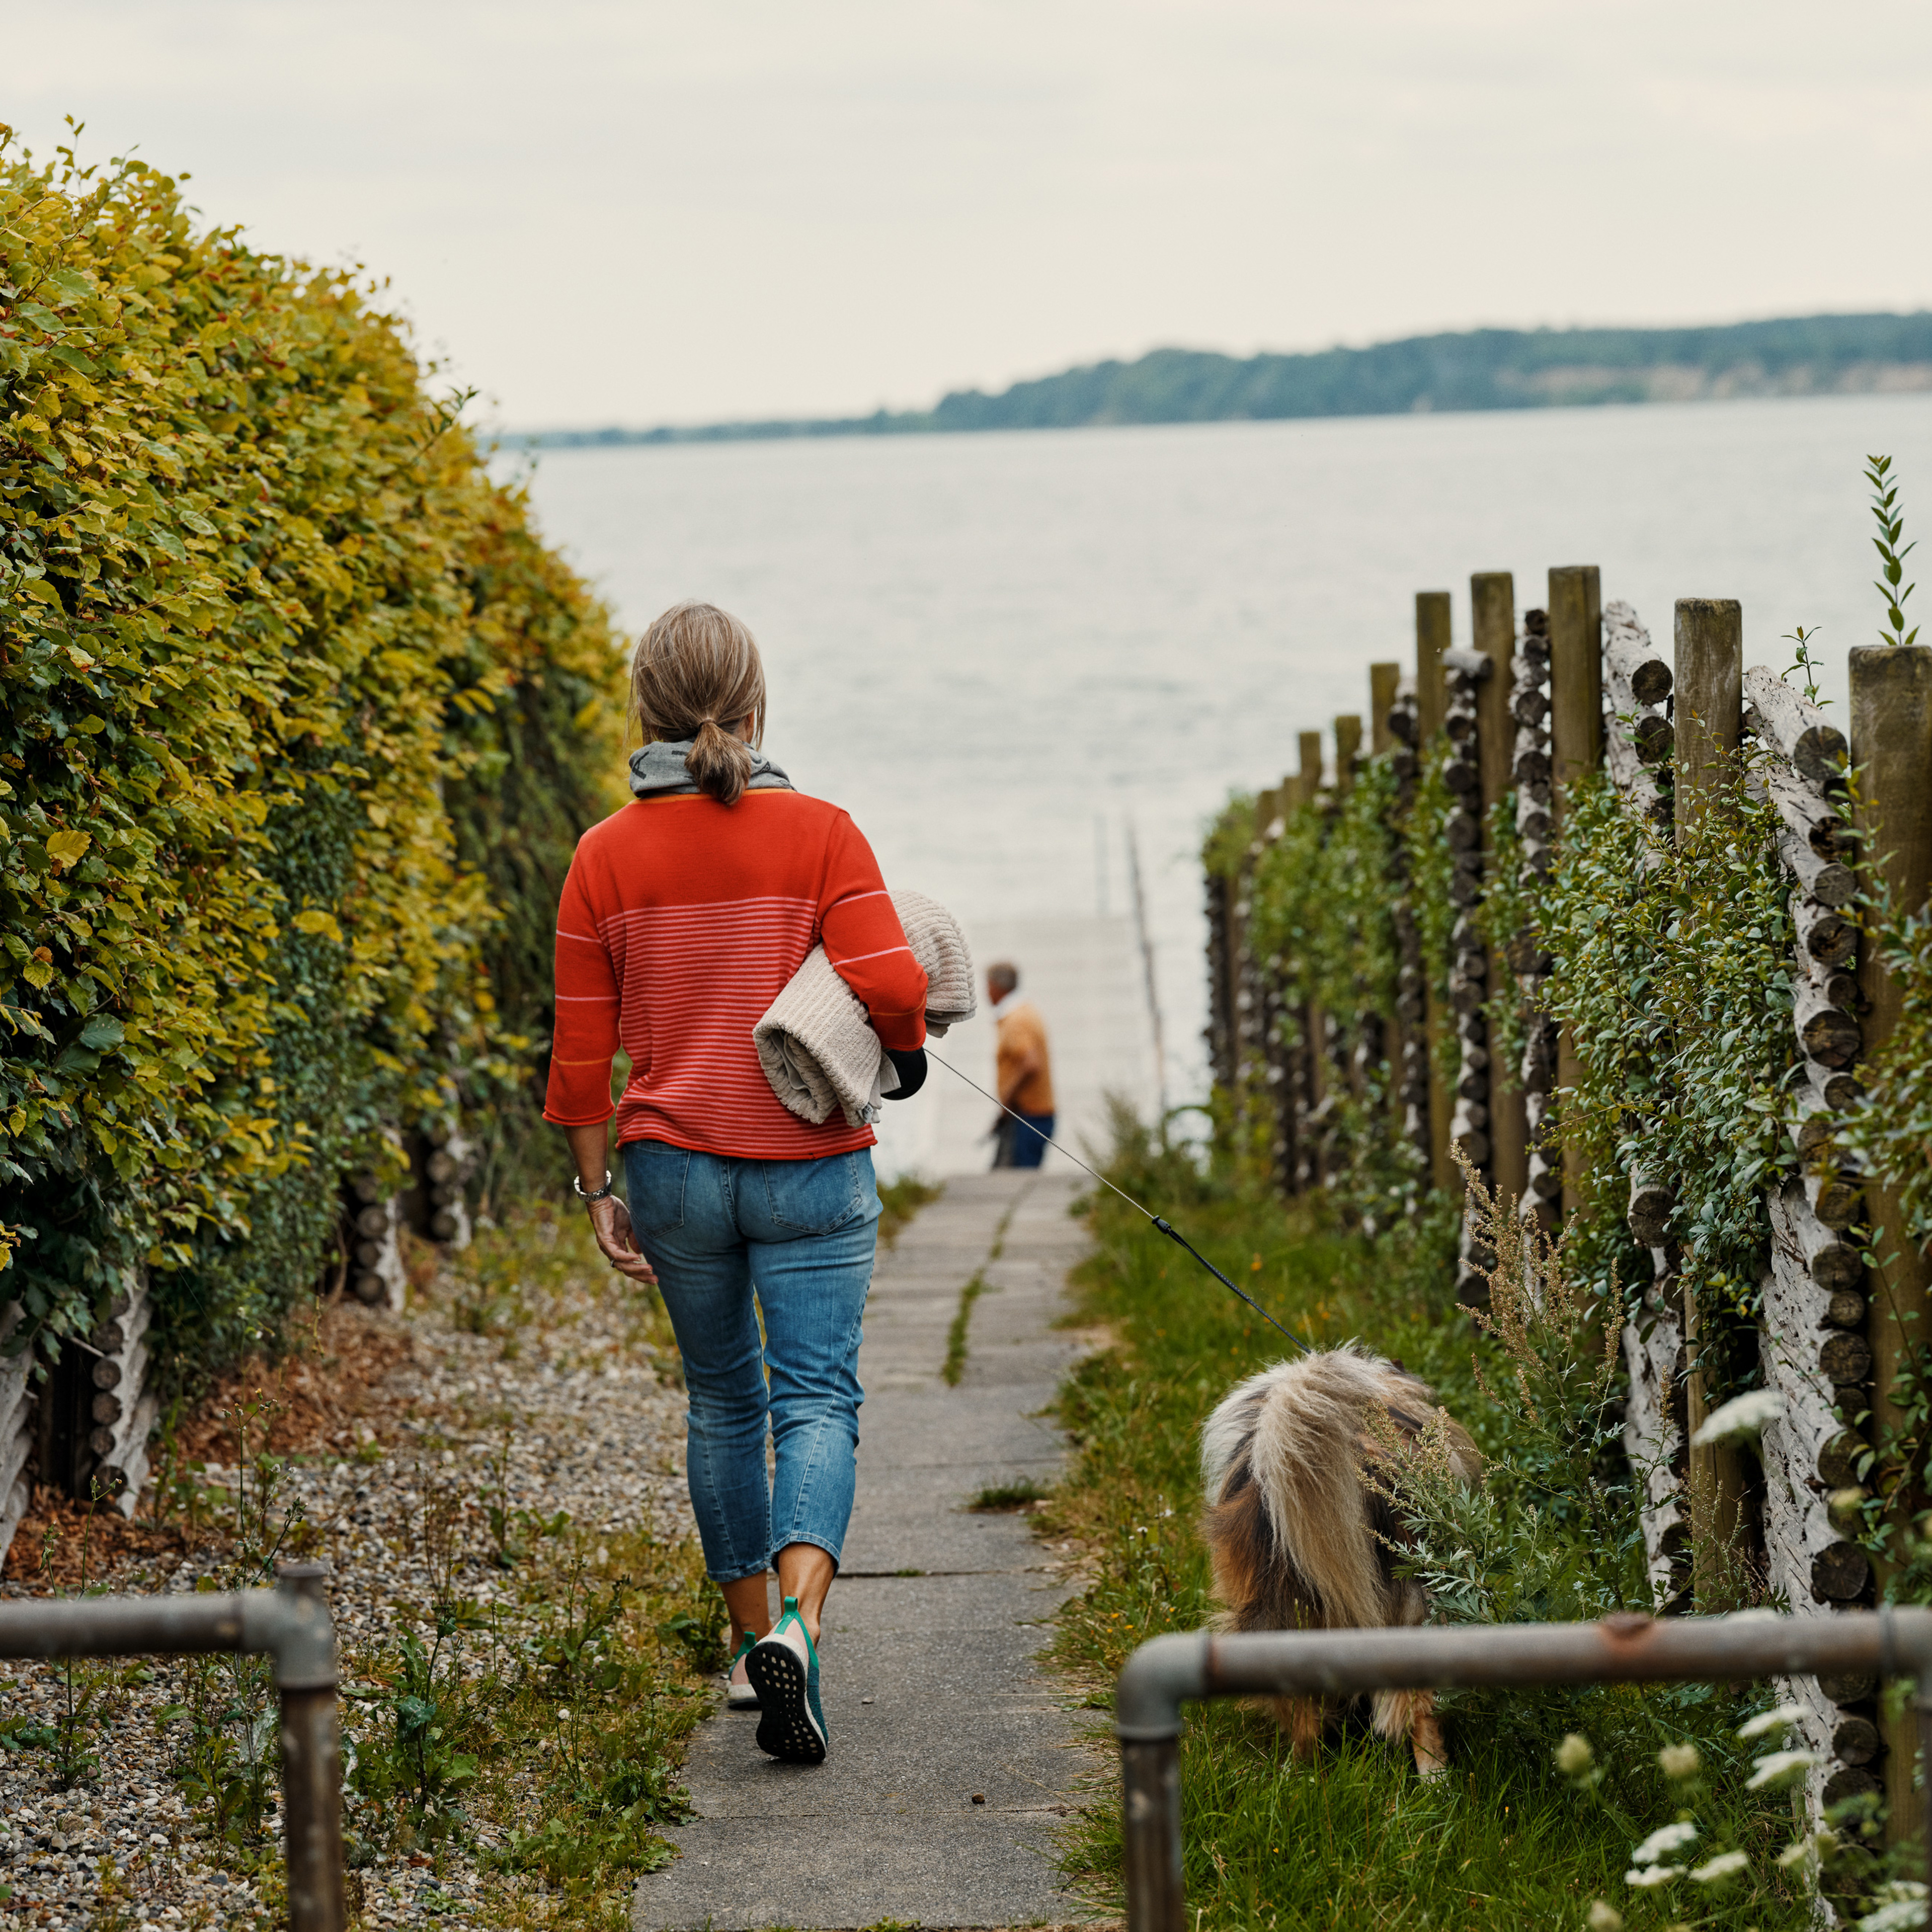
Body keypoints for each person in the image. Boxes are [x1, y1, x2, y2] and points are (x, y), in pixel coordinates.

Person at [545, 600, 928, 1767]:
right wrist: (899, 1052)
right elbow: (896, 987)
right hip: (809, 1163)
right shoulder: (820, 831)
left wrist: (596, 1187)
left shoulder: (602, 855)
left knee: (724, 1403)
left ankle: (750, 1637)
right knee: (817, 1400)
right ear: (757, 707)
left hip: (671, 1169)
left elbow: (577, 1056)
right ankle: (802, 1632)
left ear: (641, 710)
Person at [987, 960, 1055, 1168]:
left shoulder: (1016, 1019)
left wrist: (1008, 1099)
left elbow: (1031, 1063)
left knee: (1016, 1181)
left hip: (1028, 1116)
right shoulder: (1026, 1011)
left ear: (996, 987)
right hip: (1034, 1114)